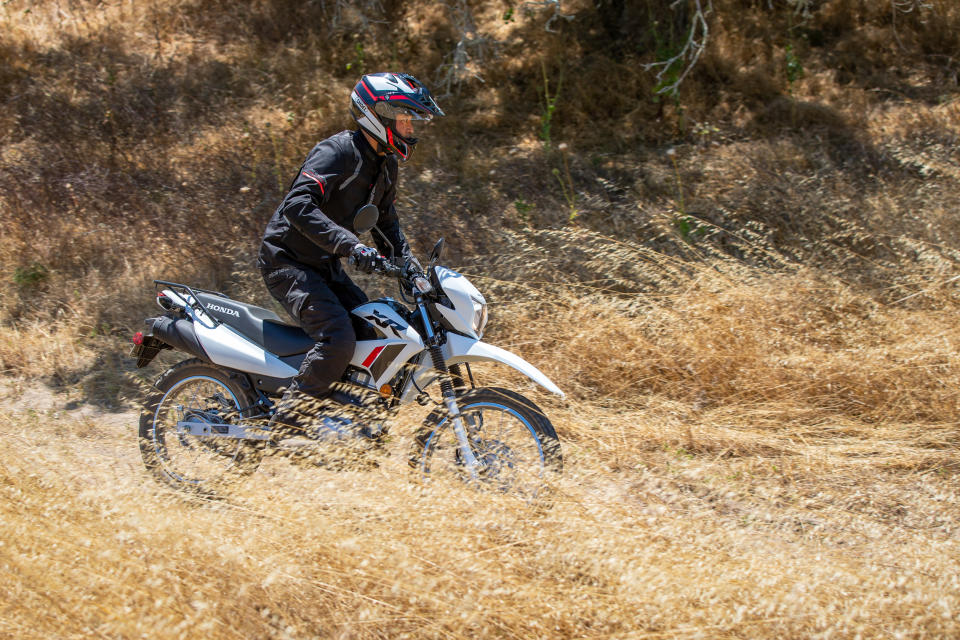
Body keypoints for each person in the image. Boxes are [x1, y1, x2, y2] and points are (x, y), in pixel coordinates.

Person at [257, 72, 444, 432]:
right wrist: (351, 245)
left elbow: (387, 226)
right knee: (337, 337)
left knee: (371, 328)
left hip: (324, 265)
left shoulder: (385, 165)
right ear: (380, 114)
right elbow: (297, 206)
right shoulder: (338, 151)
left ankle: (341, 419)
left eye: (412, 120)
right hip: (287, 262)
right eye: (404, 117)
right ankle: (288, 422)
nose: (410, 127)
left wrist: (413, 270)